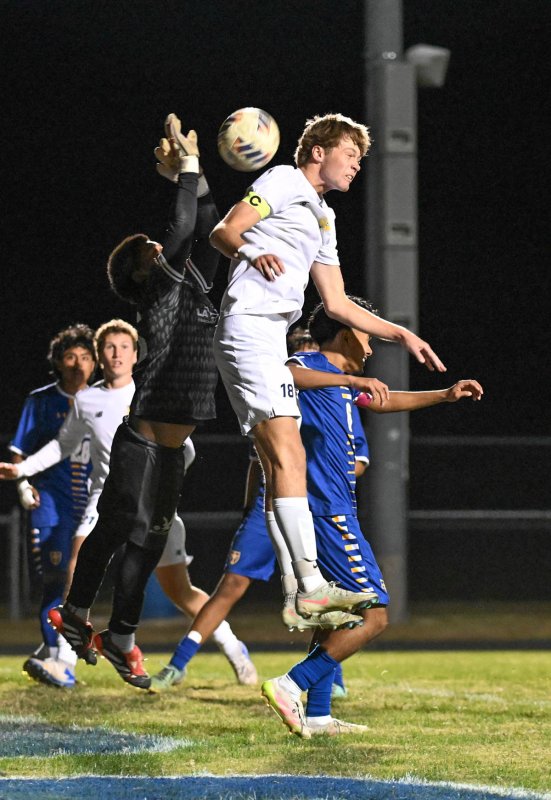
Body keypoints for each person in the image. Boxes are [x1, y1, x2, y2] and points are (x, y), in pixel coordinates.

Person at [209, 112, 446, 624]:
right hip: (250, 325)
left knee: (280, 466)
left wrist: (400, 333)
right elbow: (224, 232)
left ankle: (299, 590)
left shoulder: (323, 215)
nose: (357, 166)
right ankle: (311, 588)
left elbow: (337, 303)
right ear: (319, 151)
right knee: (290, 454)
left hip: (269, 337)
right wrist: (253, 252)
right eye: (351, 155)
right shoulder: (282, 179)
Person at [46, 113, 222, 690]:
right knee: (124, 521)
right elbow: (178, 227)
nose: (157, 245)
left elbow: (209, 227)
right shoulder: (161, 286)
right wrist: (186, 173)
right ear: (140, 274)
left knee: (149, 538)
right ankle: (75, 612)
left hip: (173, 443)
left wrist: (197, 179)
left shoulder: (191, 280)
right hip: (144, 434)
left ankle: (121, 637)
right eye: (145, 250)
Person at [260, 298, 483, 737]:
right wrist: (346, 376)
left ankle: (319, 715)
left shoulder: (342, 384)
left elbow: (384, 400)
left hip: (334, 509)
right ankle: (290, 684)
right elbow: (283, 374)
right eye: (366, 334)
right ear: (344, 331)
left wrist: (444, 394)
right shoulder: (310, 364)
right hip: (327, 512)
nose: (371, 346)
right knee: (375, 614)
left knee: (337, 617)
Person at [1, 318, 256, 687]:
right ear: (99, 356)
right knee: (75, 567)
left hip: (154, 502)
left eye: (125, 347)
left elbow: (184, 448)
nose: (118, 354)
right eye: (110, 347)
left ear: (137, 355)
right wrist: (25, 467)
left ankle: (233, 649)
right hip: (103, 500)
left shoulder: (151, 393)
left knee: (179, 591)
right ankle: (65, 660)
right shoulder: (86, 399)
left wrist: (160, 482)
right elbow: (64, 445)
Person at [147, 327, 369, 694]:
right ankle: (178, 665)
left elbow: (357, 458)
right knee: (231, 584)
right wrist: (250, 506)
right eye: (295, 355)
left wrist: (327, 479)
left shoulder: (337, 395)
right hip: (269, 504)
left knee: (325, 590)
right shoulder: (274, 394)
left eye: (308, 354)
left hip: (315, 507)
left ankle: (330, 678)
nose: (301, 362)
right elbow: (257, 460)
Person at [8, 323, 97, 687]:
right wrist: (22, 486)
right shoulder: (42, 401)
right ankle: (63, 661)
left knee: (82, 587)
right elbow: (18, 451)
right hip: (51, 503)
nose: (78, 364)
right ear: (58, 363)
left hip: (92, 505)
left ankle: (50, 654)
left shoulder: (107, 398)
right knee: (57, 582)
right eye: (70, 357)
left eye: (86, 357)